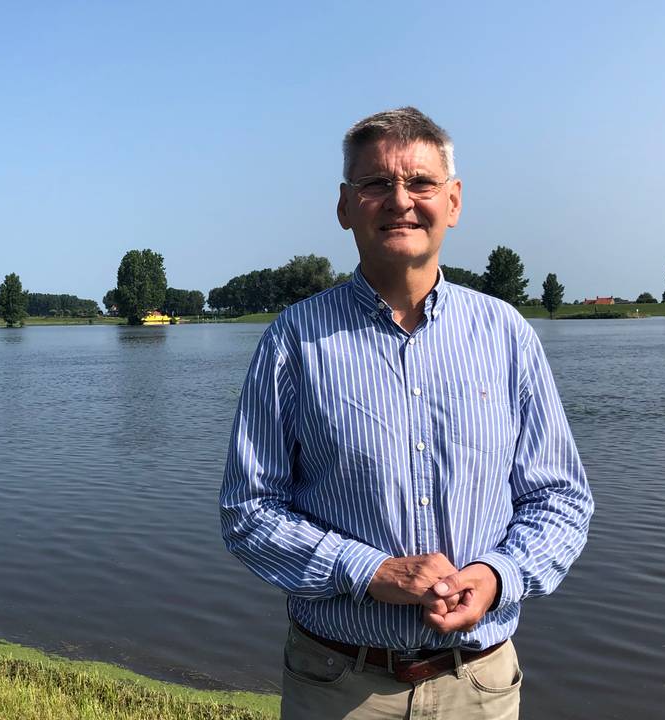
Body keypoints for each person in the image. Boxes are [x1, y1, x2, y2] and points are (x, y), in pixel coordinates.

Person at [219, 107, 593, 719]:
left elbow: (560, 499)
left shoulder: (505, 334)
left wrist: (498, 575)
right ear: (345, 206)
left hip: (480, 682)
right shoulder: (292, 341)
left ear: (454, 200)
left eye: (420, 182)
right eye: (376, 184)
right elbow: (248, 511)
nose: (400, 200)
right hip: (339, 683)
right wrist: (371, 571)